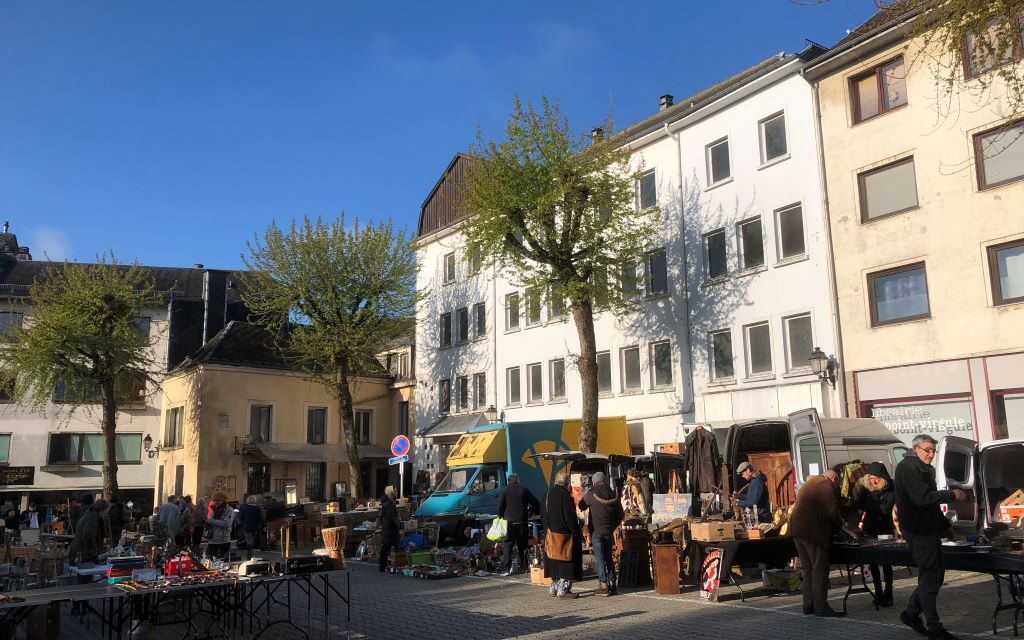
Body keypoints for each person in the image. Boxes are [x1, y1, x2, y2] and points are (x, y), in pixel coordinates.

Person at [896, 434, 966, 640]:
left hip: (928, 529)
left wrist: (945, 526)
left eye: (933, 451)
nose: (931, 454)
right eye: (927, 450)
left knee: (934, 575)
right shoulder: (908, 468)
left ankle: (910, 613)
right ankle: (934, 627)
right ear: (915, 448)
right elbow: (922, 498)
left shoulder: (924, 468)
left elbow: (931, 506)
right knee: (930, 576)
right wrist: (951, 495)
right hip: (918, 531)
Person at [789, 470, 845, 617]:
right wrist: (843, 526)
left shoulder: (809, 483)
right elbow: (832, 511)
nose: (836, 487)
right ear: (833, 479)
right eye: (837, 484)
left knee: (807, 569)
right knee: (819, 568)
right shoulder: (825, 485)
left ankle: (808, 605)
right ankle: (821, 607)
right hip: (812, 533)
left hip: (797, 531)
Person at [855, 461, 896, 607]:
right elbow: (858, 502)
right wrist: (874, 504)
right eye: (870, 477)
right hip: (870, 529)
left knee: (886, 562)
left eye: (875, 477)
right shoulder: (866, 489)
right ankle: (878, 593)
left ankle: (888, 592)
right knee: (873, 562)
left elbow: (885, 510)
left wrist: (871, 504)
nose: (872, 480)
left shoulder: (891, 489)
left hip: (885, 529)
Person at [578, 471, 623, 596]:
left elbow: (581, 505)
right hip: (609, 531)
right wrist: (612, 526)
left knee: (600, 558)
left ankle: (603, 585)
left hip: (597, 531)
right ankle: (613, 584)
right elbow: (621, 514)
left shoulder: (592, 493)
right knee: (609, 557)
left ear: (594, 481)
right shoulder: (612, 493)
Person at [543, 473, 582, 599]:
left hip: (550, 534)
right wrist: (576, 532)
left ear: (555, 481)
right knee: (566, 560)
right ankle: (563, 589)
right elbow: (570, 518)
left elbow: (543, 514)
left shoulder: (547, 494)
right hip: (564, 535)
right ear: (567, 484)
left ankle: (554, 587)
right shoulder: (565, 496)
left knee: (553, 559)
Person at [496, 473, 540, 575]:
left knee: (507, 545)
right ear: (518, 480)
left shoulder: (504, 490)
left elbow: (499, 506)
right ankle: (523, 566)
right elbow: (536, 503)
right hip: (522, 521)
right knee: (523, 545)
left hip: (509, 522)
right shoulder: (523, 489)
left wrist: (501, 515)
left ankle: (507, 568)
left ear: (508, 481)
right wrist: (531, 511)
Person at [71, 499, 110, 564]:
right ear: (102, 509)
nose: (106, 513)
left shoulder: (90, 515)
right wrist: (94, 554)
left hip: (81, 552)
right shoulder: (92, 517)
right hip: (84, 554)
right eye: (106, 511)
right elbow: (89, 536)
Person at [378, 486, 400, 573]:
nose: (396, 492)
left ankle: (384, 566)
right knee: (388, 548)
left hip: (386, 529)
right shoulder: (390, 504)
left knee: (386, 548)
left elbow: (381, 517)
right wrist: (397, 526)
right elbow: (392, 518)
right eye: (395, 491)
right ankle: (385, 567)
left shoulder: (386, 503)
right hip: (390, 529)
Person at [206, 492, 234, 560]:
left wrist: (212, 521)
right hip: (212, 541)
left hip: (223, 541)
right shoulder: (213, 510)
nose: (216, 502)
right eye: (215, 500)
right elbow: (211, 523)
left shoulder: (229, 510)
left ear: (223, 500)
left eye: (218, 500)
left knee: (222, 562)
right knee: (211, 562)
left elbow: (227, 524)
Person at [238, 496, 264, 560]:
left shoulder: (244, 508)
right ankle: (250, 553)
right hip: (254, 527)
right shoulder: (257, 509)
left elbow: (240, 517)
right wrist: (262, 526)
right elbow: (260, 519)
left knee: (248, 540)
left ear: (247, 501)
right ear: (254, 501)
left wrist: (242, 524)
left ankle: (249, 554)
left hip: (247, 527)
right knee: (252, 539)